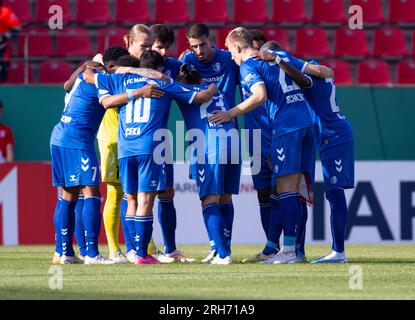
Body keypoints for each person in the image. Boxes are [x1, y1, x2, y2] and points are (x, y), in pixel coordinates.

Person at [87, 50, 218, 265]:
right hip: (149, 146)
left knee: (130, 198)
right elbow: (201, 97)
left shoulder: (121, 79)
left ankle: (133, 251)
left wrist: (126, 70)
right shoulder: (163, 83)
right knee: (146, 199)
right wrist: (212, 87)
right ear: (159, 68)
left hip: (125, 147)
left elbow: (89, 75)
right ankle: (141, 254)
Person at [209, 27, 315, 264]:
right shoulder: (276, 58)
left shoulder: (249, 65)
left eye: (230, 51)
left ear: (237, 47)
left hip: (286, 127)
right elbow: (306, 79)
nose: (232, 58)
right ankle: (295, 249)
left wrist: (230, 113)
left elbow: (259, 95)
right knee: (295, 191)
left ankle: (288, 251)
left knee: (286, 190)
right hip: (306, 123)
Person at [180, 23, 241, 263]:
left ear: (211, 40)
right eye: (194, 46)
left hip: (209, 142)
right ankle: (219, 248)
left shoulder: (226, 59)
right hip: (231, 136)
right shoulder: (188, 60)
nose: (199, 51)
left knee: (209, 198)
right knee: (225, 197)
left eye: (203, 44)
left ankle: (223, 253)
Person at [0, 0, 21, 82]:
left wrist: (4, 35)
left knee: (2, 75)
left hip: (2, 48)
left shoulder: (5, 12)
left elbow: (17, 28)